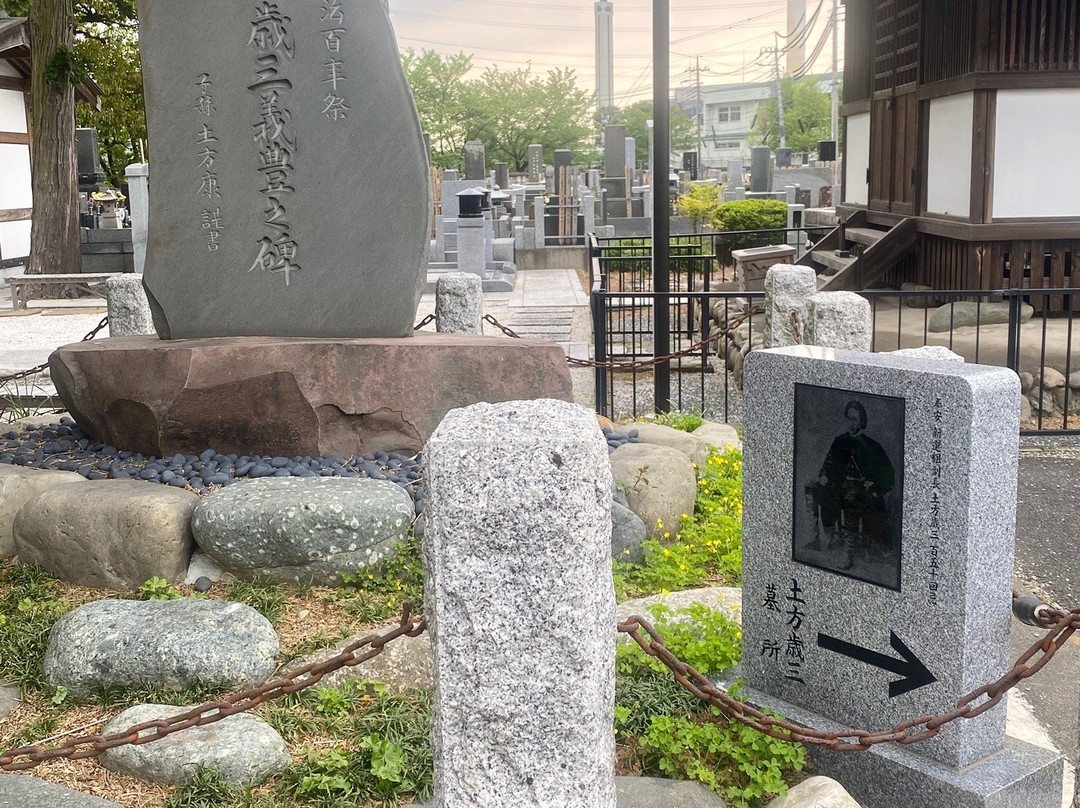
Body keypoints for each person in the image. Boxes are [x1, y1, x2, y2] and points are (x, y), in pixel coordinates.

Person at [804, 400, 896, 571]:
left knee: (852, 498)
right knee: (811, 489)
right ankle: (816, 538)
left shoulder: (872, 446)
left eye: (855, 419)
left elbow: (887, 474)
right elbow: (828, 464)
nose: (851, 423)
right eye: (849, 419)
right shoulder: (839, 441)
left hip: (862, 491)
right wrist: (824, 476)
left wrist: (874, 484)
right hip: (838, 486)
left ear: (862, 421)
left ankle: (849, 551)